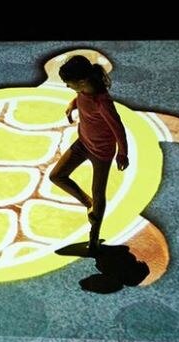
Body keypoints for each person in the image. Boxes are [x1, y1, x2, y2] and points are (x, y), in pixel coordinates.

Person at [50, 55, 129, 254]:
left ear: (83, 81)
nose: (68, 86)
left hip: (102, 152)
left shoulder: (102, 102)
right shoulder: (83, 90)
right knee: (56, 176)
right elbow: (80, 97)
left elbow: (118, 128)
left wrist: (123, 154)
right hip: (83, 143)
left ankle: (94, 239)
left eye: (69, 83)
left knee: (99, 193)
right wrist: (73, 104)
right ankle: (88, 203)